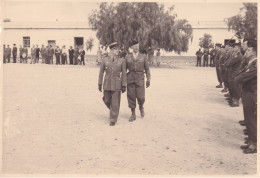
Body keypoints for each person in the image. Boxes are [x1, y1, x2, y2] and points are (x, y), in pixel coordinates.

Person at [234, 39, 257, 154]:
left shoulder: (256, 63)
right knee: (248, 118)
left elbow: (246, 75)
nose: (245, 52)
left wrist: (237, 79)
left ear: (253, 51)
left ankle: (255, 145)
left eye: (248, 50)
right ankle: (251, 141)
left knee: (251, 119)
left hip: (252, 93)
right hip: (247, 92)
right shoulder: (251, 62)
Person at [98, 42, 127, 126]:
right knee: (106, 99)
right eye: (116, 49)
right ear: (111, 50)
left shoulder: (121, 60)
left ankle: (113, 119)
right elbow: (101, 73)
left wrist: (124, 84)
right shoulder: (105, 60)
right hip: (107, 83)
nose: (118, 51)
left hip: (117, 83)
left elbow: (124, 73)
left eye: (118, 49)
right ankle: (114, 111)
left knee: (115, 102)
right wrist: (99, 84)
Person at [125, 40, 151, 122]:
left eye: (138, 46)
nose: (137, 48)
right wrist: (123, 80)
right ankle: (133, 114)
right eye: (135, 46)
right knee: (131, 97)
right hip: (130, 79)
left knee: (141, 97)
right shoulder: (127, 57)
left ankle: (141, 106)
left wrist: (148, 79)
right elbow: (124, 69)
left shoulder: (143, 56)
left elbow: (147, 69)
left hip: (140, 79)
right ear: (132, 47)